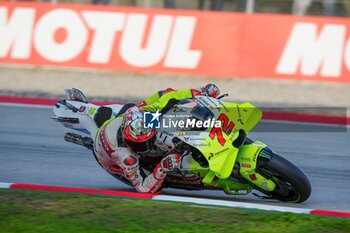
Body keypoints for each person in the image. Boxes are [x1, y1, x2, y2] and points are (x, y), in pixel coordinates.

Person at [93, 84, 220, 193]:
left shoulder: (142, 114)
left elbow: (169, 96)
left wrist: (200, 92)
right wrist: (162, 168)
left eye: (147, 142)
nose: (146, 147)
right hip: (107, 158)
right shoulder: (125, 156)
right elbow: (143, 189)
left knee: (168, 103)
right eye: (140, 145)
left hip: (122, 120)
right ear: (127, 139)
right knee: (158, 183)